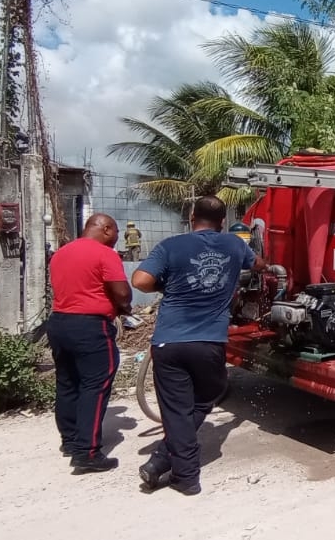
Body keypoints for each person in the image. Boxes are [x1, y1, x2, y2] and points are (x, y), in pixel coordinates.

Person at [132, 195, 265, 496]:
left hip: (170, 342)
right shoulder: (233, 244)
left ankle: (170, 465)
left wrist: (164, 285)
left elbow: (139, 280)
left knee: (178, 410)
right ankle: (181, 473)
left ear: (192, 218)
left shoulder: (171, 245)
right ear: (221, 223)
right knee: (207, 395)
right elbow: (258, 264)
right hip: (209, 342)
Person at [46, 213, 132, 474]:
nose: (117, 239)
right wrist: (125, 306)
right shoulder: (105, 254)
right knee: (95, 385)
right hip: (90, 327)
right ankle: (87, 453)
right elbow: (122, 292)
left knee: (67, 382)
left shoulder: (61, 253)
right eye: (116, 233)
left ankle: (70, 442)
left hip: (59, 323)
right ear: (106, 229)